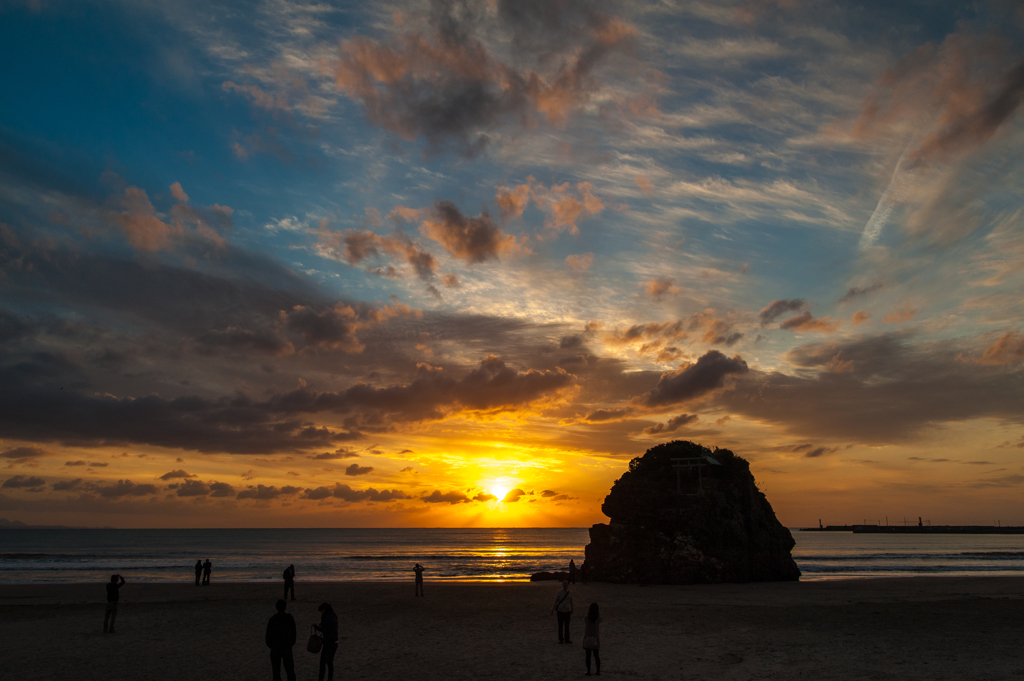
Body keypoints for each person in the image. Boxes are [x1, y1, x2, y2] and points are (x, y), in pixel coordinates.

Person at [265, 599, 296, 681]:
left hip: (276, 648)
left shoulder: (273, 619)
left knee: (276, 672)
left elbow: (268, 635)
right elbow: (294, 633)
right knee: (290, 671)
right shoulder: (289, 618)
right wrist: (290, 643)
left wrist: (271, 645)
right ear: (285, 607)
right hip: (286, 647)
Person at [313, 602, 339, 681]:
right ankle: (330, 678)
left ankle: (321, 679)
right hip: (335, 642)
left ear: (323, 610)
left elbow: (324, 630)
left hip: (328, 642)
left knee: (323, 662)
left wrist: (316, 626)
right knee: (330, 662)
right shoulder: (333, 616)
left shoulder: (326, 617)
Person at [550, 579, 573, 644]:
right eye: (564, 584)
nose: (565, 585)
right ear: (562, 585)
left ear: (568, 585)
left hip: (567, 611)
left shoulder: (570, 593)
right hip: (560, 611)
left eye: (566, 583)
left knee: (567, 626)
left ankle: (567, 639)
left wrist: (572, 609)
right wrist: (552, 610)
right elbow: (555, 601)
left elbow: (571, 602)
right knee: (560, 626)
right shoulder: (559, 592)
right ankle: (561, 639)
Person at [583, 602, 602, 676]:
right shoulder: (598, 619)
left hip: (588, 638)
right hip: (595, 639)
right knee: (596, 656)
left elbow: (585, 620)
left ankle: (588, 671)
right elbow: (601, 619)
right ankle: (598, 671)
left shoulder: (586, 618)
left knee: (588, 656)